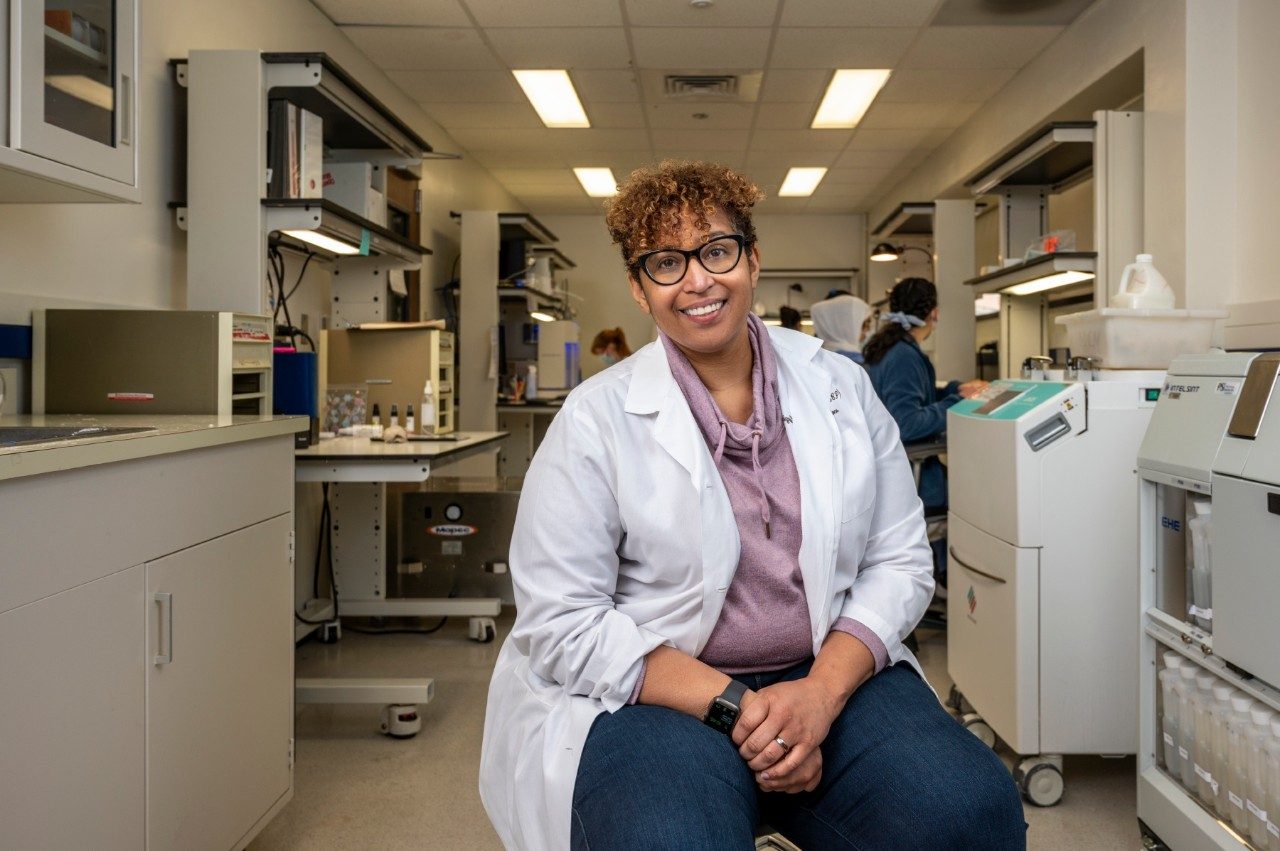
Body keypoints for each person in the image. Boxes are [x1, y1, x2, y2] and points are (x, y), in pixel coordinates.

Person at [479, 161, 1023, 851]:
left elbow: (900, 559)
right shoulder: (596, 420)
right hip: (662, 687)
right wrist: (742, 708)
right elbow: (563, 618)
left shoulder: (841, 390)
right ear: (639, 290)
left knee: (971, 810)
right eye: (666, 262)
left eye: (716, 250)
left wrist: (820, 694)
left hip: (829, 666)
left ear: (753, 258)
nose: (698, 280)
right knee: (664, 840)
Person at [862, 278, 988, 586]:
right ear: (935, 313)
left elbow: (911, 396)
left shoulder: (890, 348)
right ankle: (954, 585)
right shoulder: (904, 356)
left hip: (880, 476)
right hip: (911, 480)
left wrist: (956, 388)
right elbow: (906, 422)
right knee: (978, 505)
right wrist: (958, 403)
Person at [809, 293, 873, 364]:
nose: (868, 329)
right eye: (866, 323)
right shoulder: (855, 361)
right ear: (848, 325)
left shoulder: (819, 355)